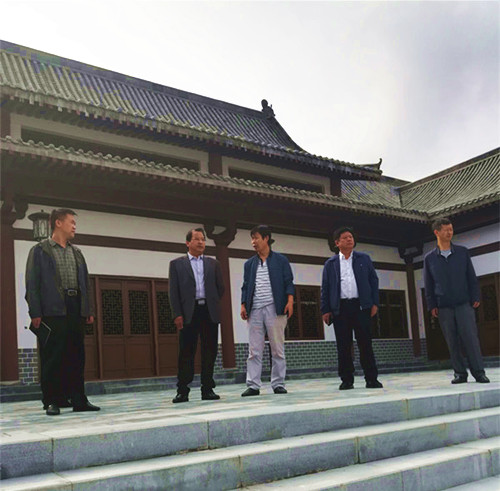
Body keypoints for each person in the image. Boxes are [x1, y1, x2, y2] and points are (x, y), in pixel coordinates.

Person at [25, 209, 99, 416]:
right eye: (71, 222)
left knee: (77, 355)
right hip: (52, 308)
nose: (74, 226)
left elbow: (85, 282)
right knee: (53, 356)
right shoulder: (40, 251)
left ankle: (79, 399)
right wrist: (35, 311)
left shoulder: (77, 253)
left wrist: (88, 308)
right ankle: (52, 400)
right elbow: (32, 283)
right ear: (58, 223)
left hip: (75, 306)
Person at [423, 217, 489, 384]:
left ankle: (479, 373)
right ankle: (460, 373)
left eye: (451, 229)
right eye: (446, 230)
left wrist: (475, 296)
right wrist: (432, 305)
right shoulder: (429, 258)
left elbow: (471, 276)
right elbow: (428, 284)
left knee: (471, 339)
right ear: (436, 232)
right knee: (452, 341)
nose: (449, 233)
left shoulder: (462, 252)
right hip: (444, 306)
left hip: (463, 303)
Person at [321, 226, 383, 390]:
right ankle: (346, 380)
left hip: (361, 306)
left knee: (365, 343)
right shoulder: (331, 264)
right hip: (340, 308)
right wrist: (325, 310)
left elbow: (373, 281)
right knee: (343, 345)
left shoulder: (364, 259)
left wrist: (374, 303)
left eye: (351, 237)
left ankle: (371, 378)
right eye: (345, 237)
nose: (349, 239)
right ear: (337, 243)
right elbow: (325, 287)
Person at [169, 228, 225, 403]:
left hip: (208, 311)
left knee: (210, 351)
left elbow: (220, 288)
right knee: (186, 352)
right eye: (197, 239)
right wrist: (177, 314)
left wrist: (212, 302)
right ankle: (182, 391)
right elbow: (173, 292)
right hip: (188, 313)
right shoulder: (177, 264)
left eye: (203, 239)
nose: (201, 242)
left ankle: (207, 389)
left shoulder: (213, 264)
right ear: (188, 243)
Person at [240, 225, 294, 396]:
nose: (253, 242)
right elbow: (245, 286)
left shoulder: (281, 260)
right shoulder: (249, 264)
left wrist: (290, 301)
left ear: (266, 238)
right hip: (254, 309)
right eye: (252, 238)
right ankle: (253, 385)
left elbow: (288, 282)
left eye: (256, 238)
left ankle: (278, 383)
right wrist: (243, 304)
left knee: (277, 348)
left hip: (275, 308)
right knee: (254, 350)